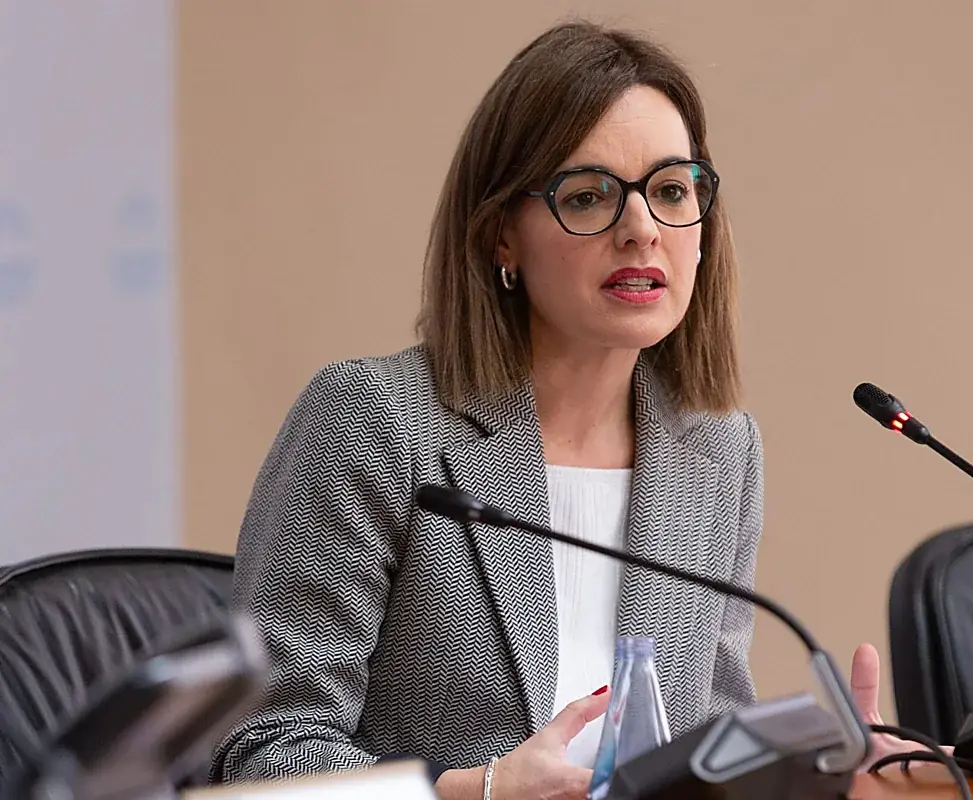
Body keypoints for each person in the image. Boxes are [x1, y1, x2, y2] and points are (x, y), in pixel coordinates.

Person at [209, 19, 925, 800]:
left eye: (672, 191)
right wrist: (472, 792)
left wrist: (823, 780)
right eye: (588, 197)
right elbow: (261, 751)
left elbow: (710, 749)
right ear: (500, 239)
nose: (642, 229)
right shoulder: (375, 419)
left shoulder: (719, 452)